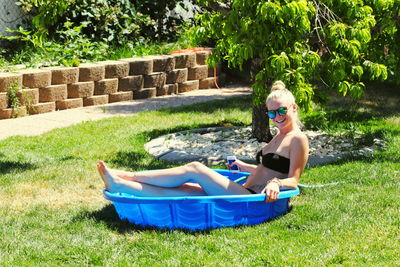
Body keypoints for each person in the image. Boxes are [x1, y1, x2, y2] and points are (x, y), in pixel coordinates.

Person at [97, 81, 309, 202]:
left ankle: (127, 175)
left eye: (282, 110)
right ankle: (121, 184)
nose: (277, 116)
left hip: (250, 199)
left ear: (294, 108)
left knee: (196, 168)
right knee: (185, 189)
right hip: (243, 188)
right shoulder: (279, 136)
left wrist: (276, 183)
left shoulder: (297, 139)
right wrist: (243, 166)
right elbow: (269, 168)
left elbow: (292, 179)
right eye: (272, 113)